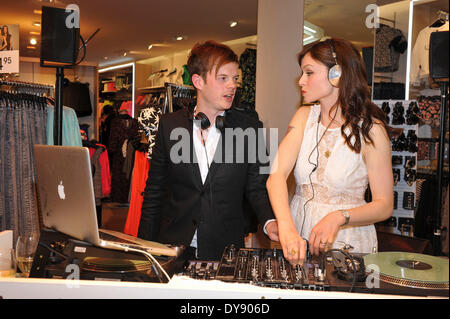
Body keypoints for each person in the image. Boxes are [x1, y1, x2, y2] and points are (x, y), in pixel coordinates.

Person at [138, 40, 278, 260]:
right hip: (172, 247)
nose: (232, 85)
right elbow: (154, 192)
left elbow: (258, 187)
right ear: (198, 81)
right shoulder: (169, 125)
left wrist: (270, 221)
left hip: (225, 250)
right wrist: (144, 248)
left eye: (235, 79)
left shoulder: (249, 127)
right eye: (223, 78)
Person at [266, 38, 393, 266]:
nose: (301, 80)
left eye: (309, 72)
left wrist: (339, 217)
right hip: (299, 235)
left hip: (348, 243)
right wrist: (286, 226)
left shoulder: (372, 130)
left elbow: (384, 205)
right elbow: (275, 176)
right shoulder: (303, 118)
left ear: (337, 74)